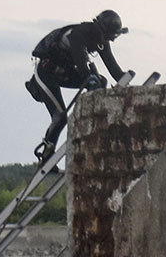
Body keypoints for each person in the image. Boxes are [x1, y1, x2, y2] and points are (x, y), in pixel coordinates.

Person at [25, 9, 129, 162]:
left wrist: (128, 82)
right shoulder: (79, 34)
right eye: (111, 36)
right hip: (46, 74)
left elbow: (113, 68)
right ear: (104, 30)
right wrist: (91, 80)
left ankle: (96, 118)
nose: (111, 40)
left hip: (64, 73)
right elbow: (81, 65)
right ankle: (47, 155)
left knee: (101, 82)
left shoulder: (101, 41)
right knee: (60, 117)